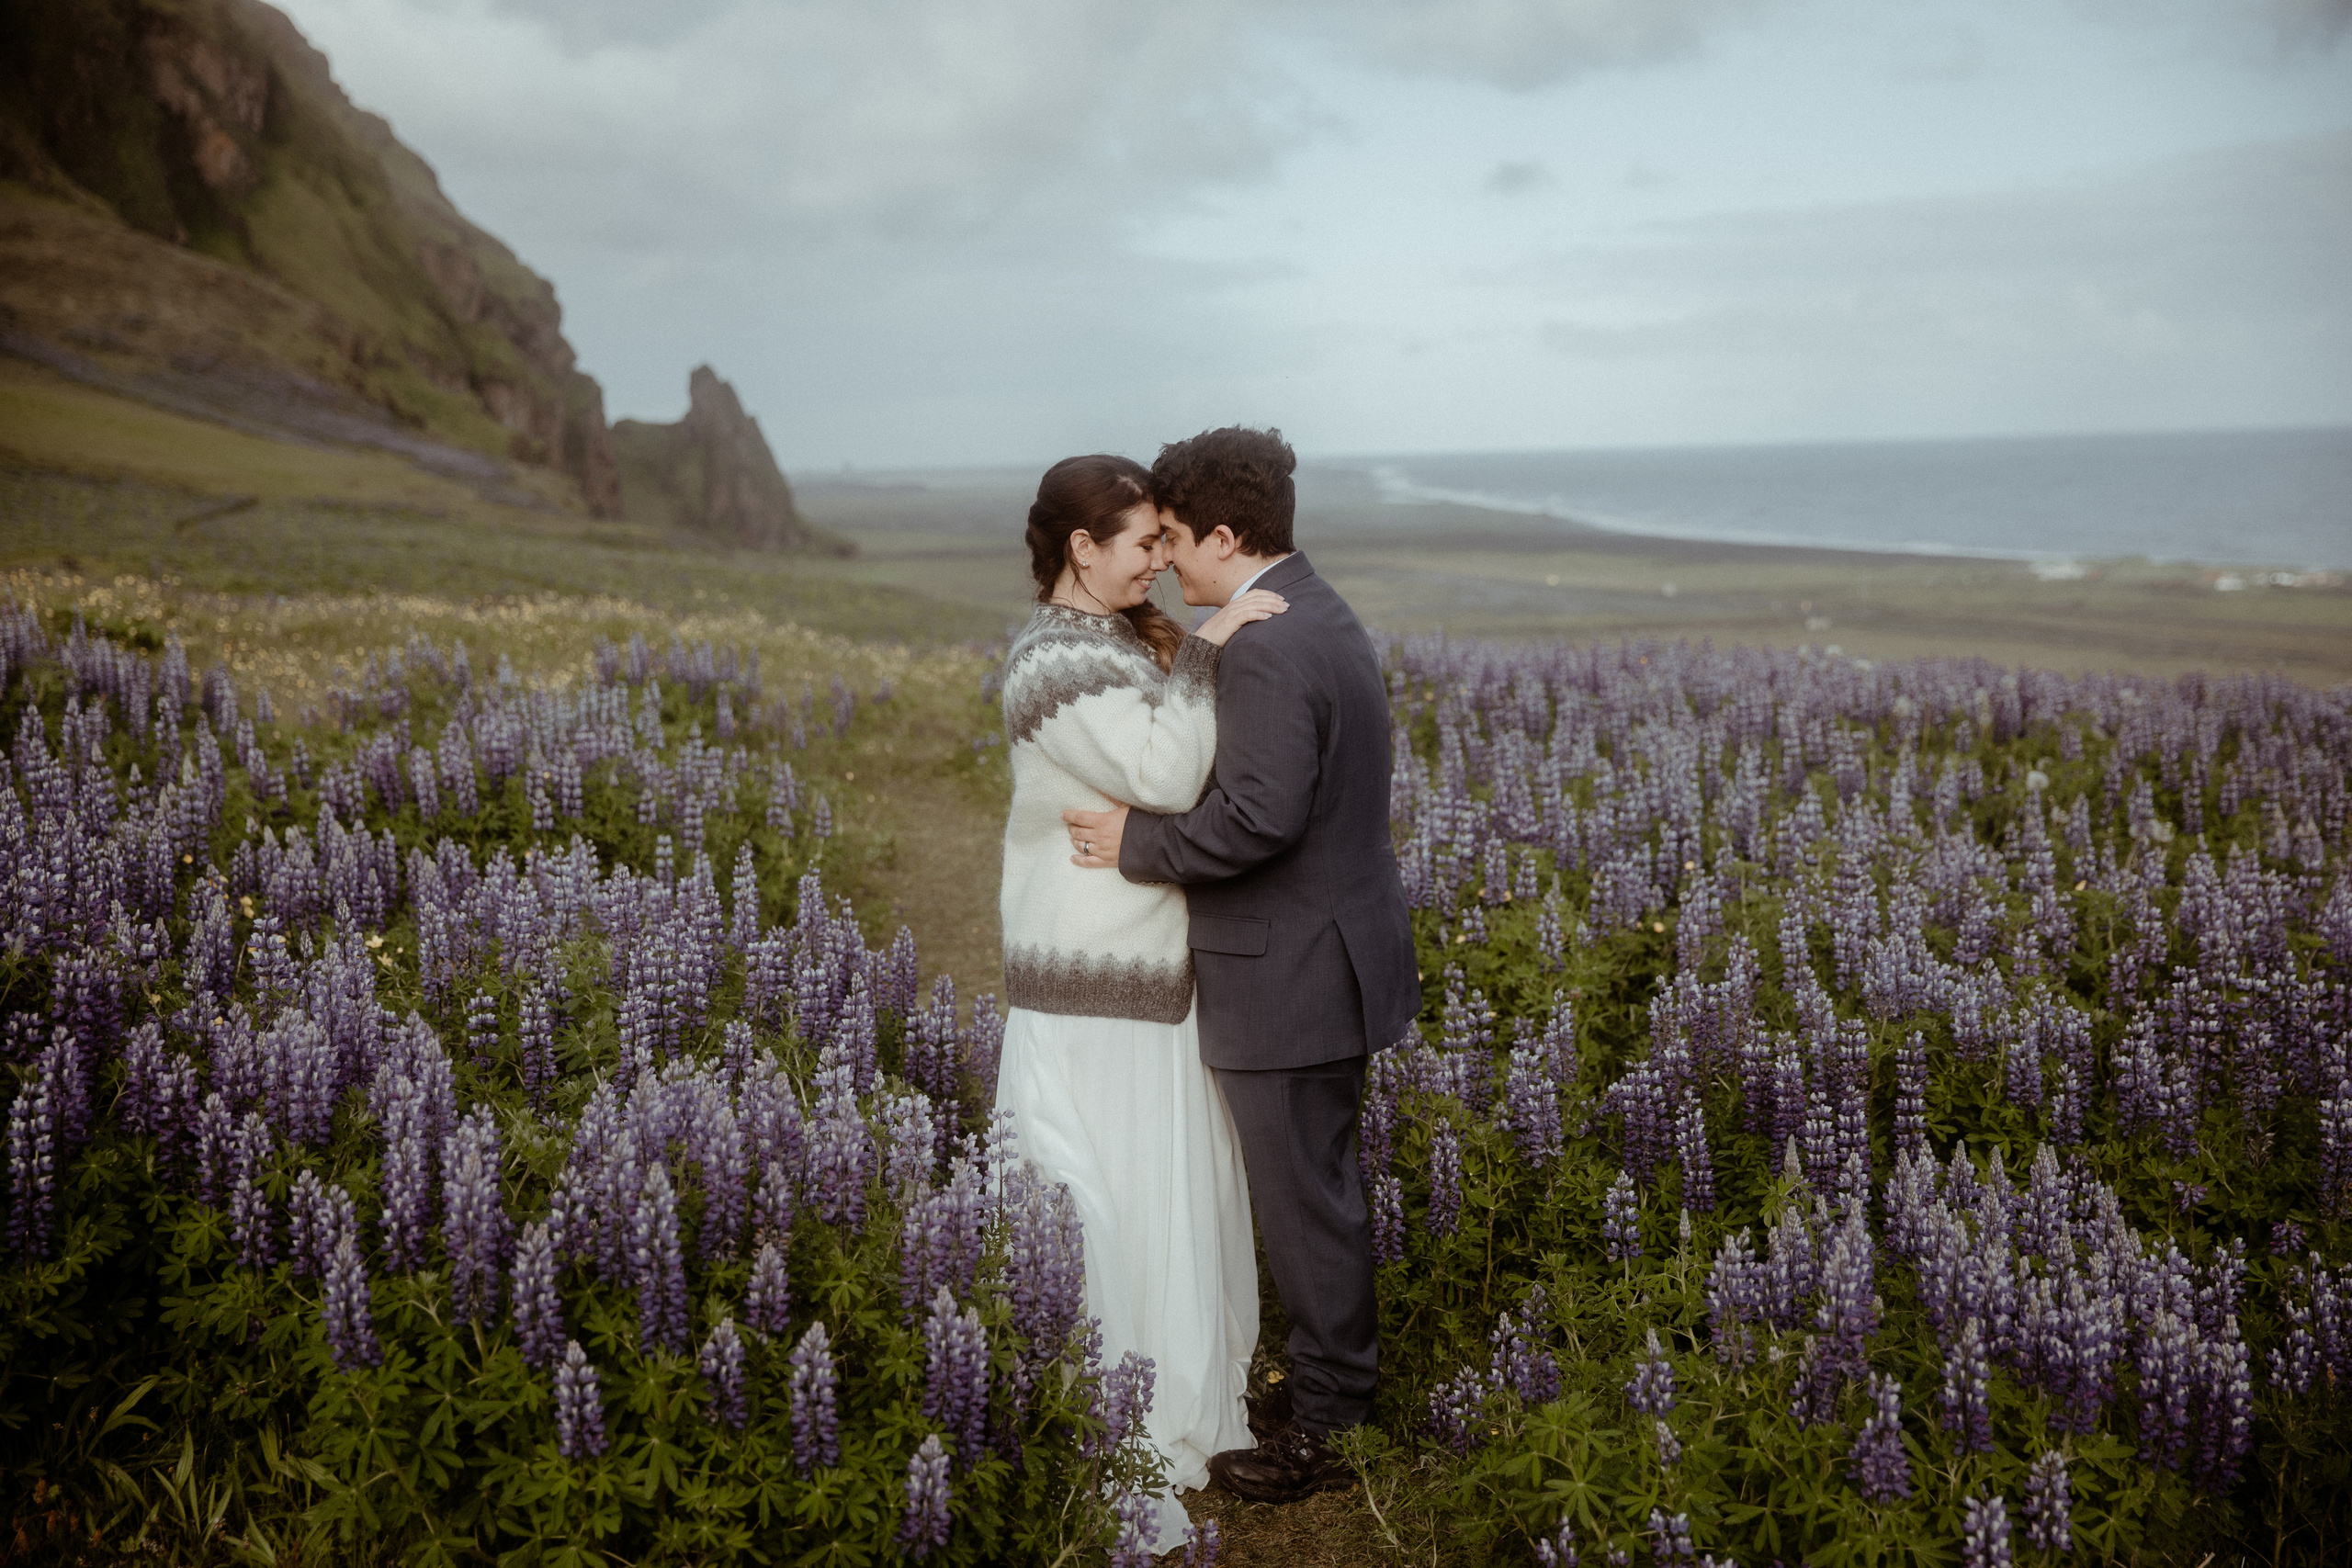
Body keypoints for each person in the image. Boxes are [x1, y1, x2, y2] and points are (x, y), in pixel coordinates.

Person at [1063, 426, 1419, 1506]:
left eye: (1176, 537)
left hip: (1289, 968)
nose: (1165, 559)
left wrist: (1134, 843)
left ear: (1225, 533)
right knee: (1319, 1191)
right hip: (1335, 951)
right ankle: (1325, 1390)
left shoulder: (1266, 646)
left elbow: (1256, 820)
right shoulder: (1318, 611)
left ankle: (1326, 1426)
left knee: (1306, 1203)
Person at [992, 452, 1291, 1552]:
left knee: (1166, 1191)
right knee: (1108, 1198)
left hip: (1142, 972)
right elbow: (1169, 778)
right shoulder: (1055, 664)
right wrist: (1212, 646)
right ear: (1082, 548)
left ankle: (1172, 1406)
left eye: (1168, 544)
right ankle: (1119, 1417)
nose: (1163, 560)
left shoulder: (1107, 643)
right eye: (1144, 544)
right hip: (1092, 984)